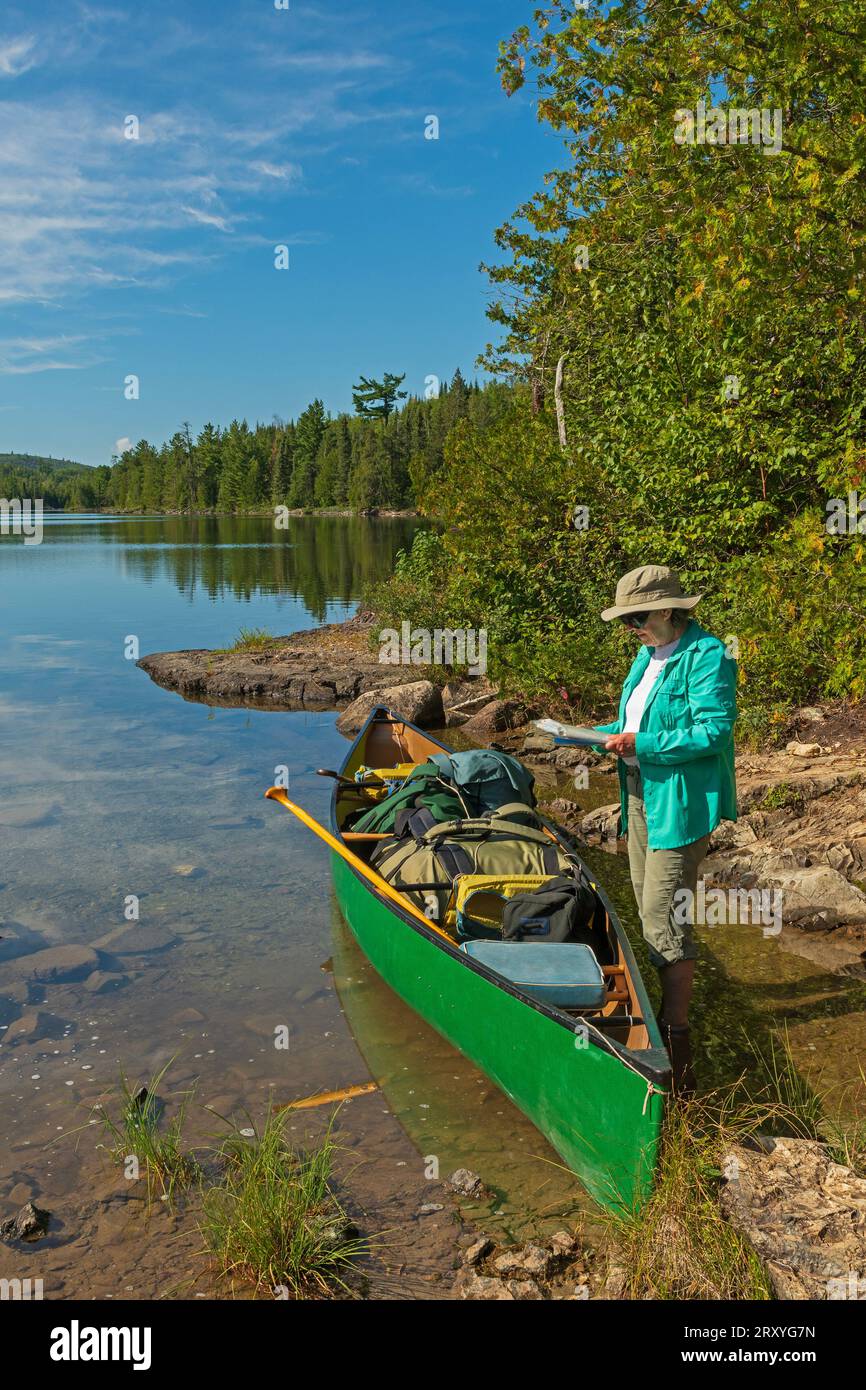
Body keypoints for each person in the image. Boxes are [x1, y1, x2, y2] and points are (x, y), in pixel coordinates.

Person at [593, 565, 737, 1093]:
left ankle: (676, 1037)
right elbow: (630, 725)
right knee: (646, 906)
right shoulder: (646, 655)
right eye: (625, 619)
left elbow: (714, 731)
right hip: (637, 796)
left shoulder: (708, 655)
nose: (631, 626)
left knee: (662, 916)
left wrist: (641, 746)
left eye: (637, 616)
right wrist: (589, 736)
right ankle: (662, 1020)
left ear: (667, 610)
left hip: (679, 803)